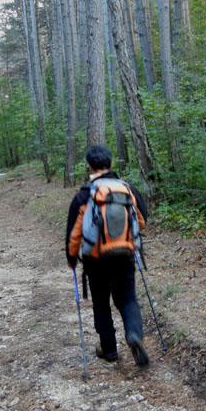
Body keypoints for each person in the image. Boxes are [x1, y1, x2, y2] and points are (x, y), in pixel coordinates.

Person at [65, 145, 150, 366]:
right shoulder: (127, 189)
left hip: (95, 258)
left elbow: (74, 233)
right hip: (124, 253)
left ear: (89, 167)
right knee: (128, 298)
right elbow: (141, 221)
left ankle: (109, 348)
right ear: (111, 164)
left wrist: (72, 258)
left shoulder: (84, 194)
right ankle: (133, 334)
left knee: (101, 302)